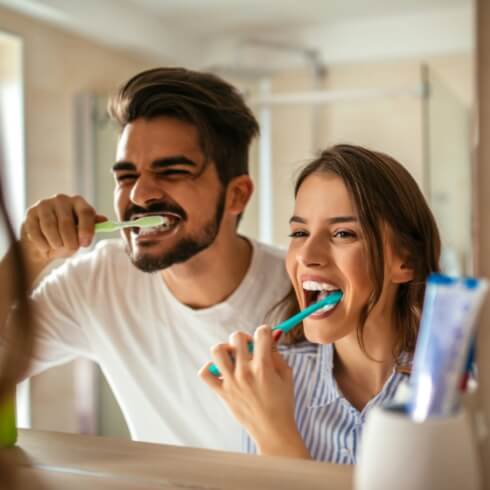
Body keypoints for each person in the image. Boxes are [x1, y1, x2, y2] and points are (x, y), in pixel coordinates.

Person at [0, 68, 290, 451]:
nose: (139, 194)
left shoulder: (300, 293)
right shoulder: (99, 279)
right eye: (126, 176)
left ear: (236, 196)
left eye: (171, 171)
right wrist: (30, 254)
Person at [200, 144, 441, 463]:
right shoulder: (268, 384)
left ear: (405, 261)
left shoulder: (456, 388)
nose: (307, 256)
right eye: (299, 232)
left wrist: (277, 437)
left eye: (343, 233)